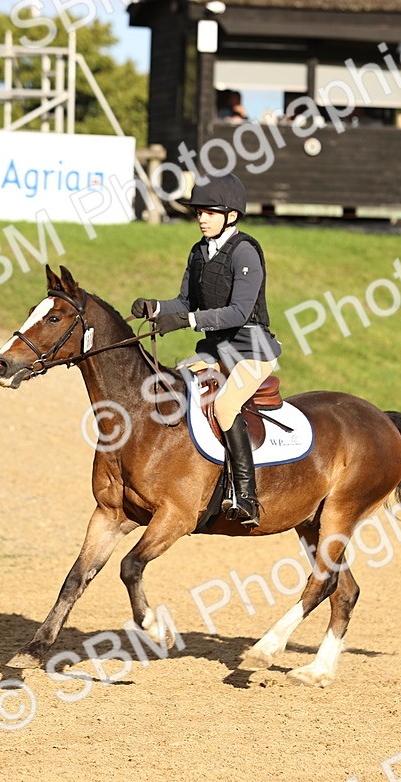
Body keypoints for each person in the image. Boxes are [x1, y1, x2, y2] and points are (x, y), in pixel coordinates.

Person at [130, 173, 281, 526]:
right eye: (199, 211)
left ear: (230, 215)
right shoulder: (198, 252)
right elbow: (184, 301)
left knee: (227, 407)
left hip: (251, 350)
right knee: (172, 388)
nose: (201, 218)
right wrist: (155, 307)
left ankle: (246, 496)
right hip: (215, 349)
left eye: (209, 212)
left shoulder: (245, 252)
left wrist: (186, 322)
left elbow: (239, 312)